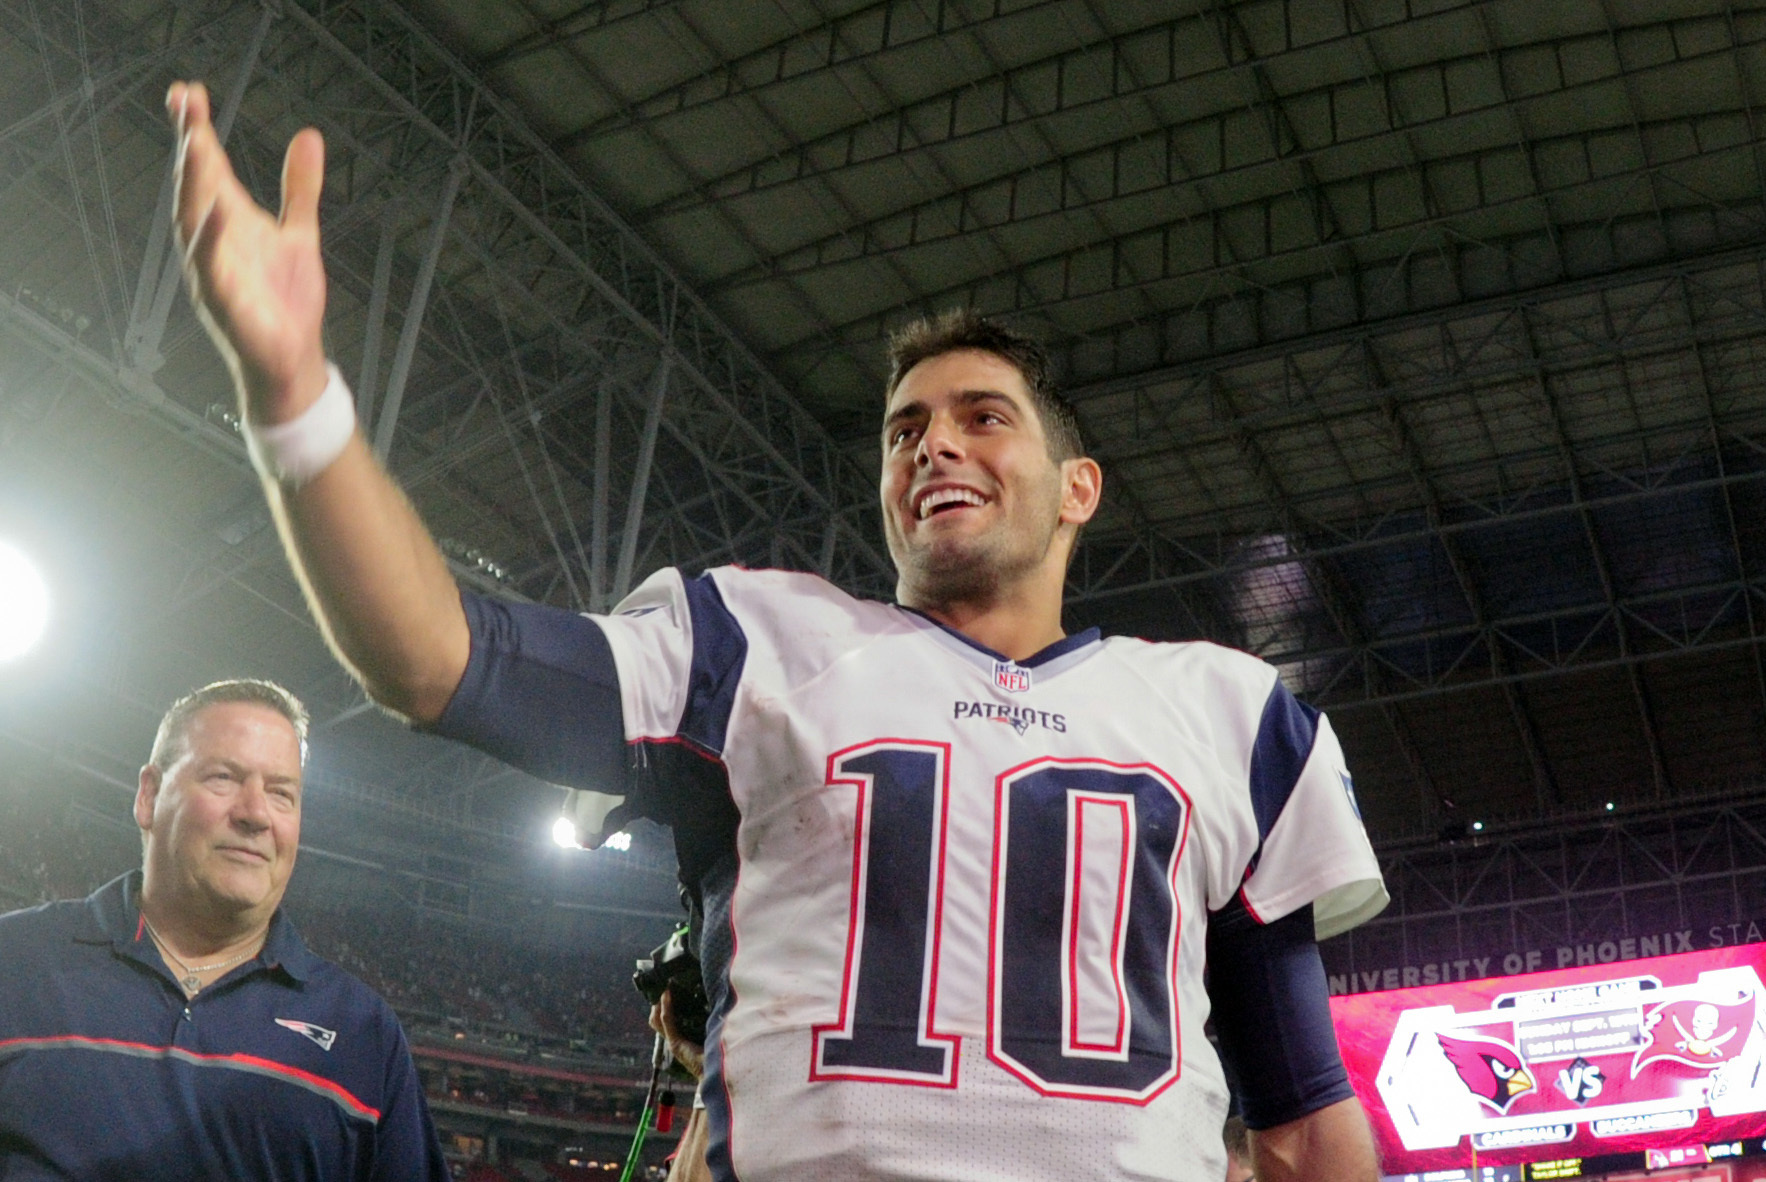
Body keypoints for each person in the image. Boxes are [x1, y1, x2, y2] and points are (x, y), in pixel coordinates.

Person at [165, 76, 1389, 1182]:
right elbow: (438, 657)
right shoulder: (750, 644)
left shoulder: (1229, 714)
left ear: (1078, 488)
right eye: (904, 430)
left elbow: (1299, 1122)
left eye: (982, 417)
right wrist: (294, 402)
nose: (934, 446)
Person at [0, 679, 450, 1180]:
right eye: (223, 778)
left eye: (282, 794)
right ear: (148, 796)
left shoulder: (365, 1034)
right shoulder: (12, 961)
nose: (256, 814)